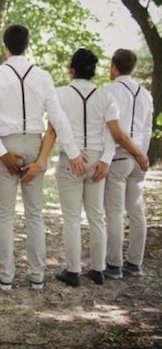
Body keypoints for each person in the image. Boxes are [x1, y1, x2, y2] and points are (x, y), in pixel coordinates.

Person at [0, 24, 86, 291]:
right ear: (27, 44)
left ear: (5, 46)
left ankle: (6, 276)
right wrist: (73, 153)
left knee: (5, 214)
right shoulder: (42, 76)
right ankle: (37, 275)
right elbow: (58, 117)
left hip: (6, 143)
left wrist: (1, 152)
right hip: (34, 144)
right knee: (35, 213)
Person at [53, 49, 148, 287]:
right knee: (97, 215)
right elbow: (112, 134)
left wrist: (73, 151)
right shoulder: (105, 97)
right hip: (97, 159)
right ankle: (98, 270)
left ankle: (73, 271)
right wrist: (105, 159)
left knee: (72, 217)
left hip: (71, 158)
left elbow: (56, 130)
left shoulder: (60, 94)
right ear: (94, 71)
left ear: (71, 69)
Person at [103, 49, 152, 279]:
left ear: (114, 66)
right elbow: (147, 129)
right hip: (138, 158)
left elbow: (116, 133)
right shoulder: (146, 94)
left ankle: (114, 264)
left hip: (119, 156)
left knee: (114, 212)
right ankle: (135, 262)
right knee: (136, 211)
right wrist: (142, 154)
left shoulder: (109, 92)